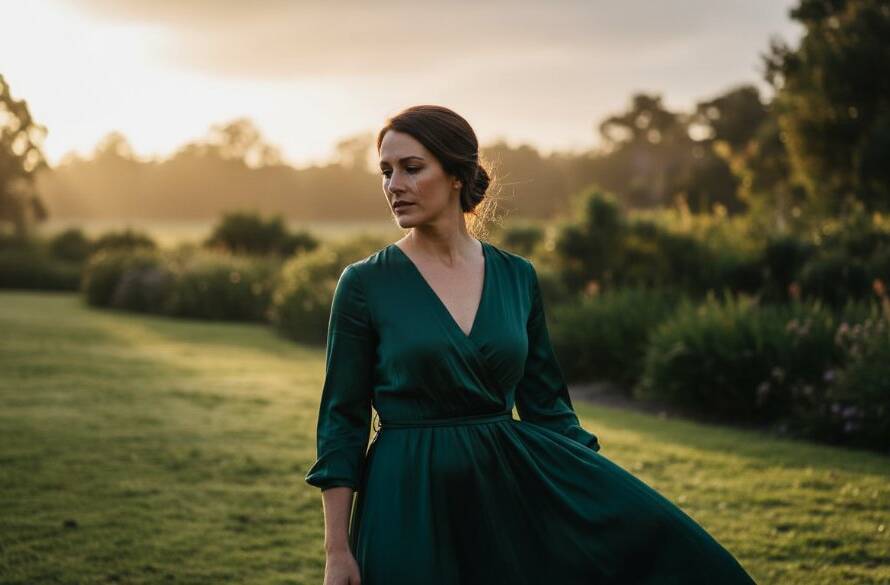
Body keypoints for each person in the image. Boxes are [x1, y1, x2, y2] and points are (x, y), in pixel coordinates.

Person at [305, 105, 757, 585]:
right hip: (406, 496)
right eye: (386, 171)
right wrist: (337, 549)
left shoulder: (517, 277)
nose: (393, 185)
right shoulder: (364, 284)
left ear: (457, 174)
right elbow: (342, 420)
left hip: (503, 494)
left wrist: (600, 491)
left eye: (412, 168)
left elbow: (548, 408)